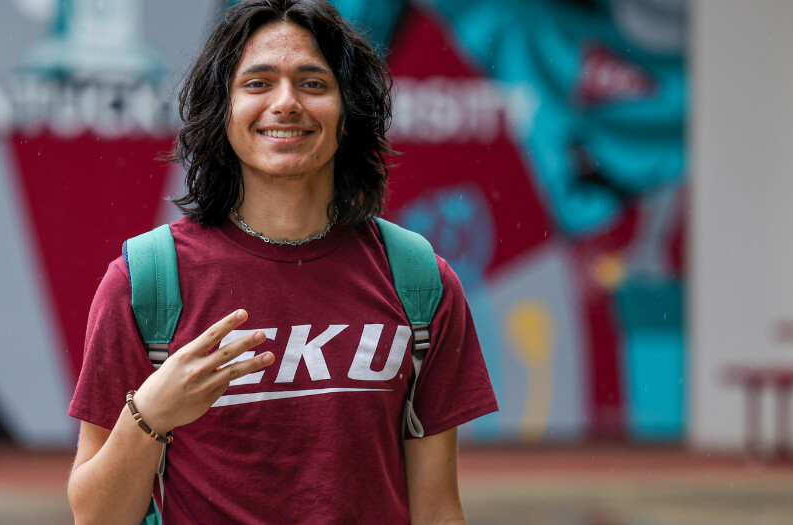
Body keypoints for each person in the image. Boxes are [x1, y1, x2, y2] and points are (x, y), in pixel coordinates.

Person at [67, 1, 497, 523]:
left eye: (313, 83)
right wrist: (150, 415)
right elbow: (95, 517)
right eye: (257, 83)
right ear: (221, 110)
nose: (286, 103)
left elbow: (436, 509)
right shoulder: (147, 282)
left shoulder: (419, 281)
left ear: (348, 110)